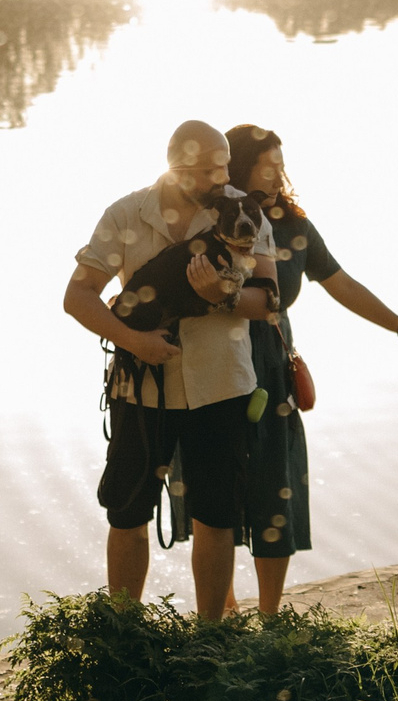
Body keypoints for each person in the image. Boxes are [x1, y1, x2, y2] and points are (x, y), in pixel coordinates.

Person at [173, 122, 398, 614]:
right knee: (217, 492)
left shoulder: (294, 227)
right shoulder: (203, 218)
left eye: (283, 165)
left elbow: (342, 284)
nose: (280, 174)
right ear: (239, 168)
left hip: (272, 367)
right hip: (212, 366)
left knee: (273, 482)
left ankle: (271, 616)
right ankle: (224, 610)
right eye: (269, 165)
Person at [63, 119, 276, 618]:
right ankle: (124, 631)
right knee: (128, 510)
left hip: (222, 386)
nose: (224, 178)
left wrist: (222, 294)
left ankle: (211, 636)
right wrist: (135, 340)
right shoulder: (125, 214)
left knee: (217, 516)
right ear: (178, 170)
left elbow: (268, 300)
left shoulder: (241, 211)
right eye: (210, 169)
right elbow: (77, 296)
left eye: (225, 164)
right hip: (140, 387)